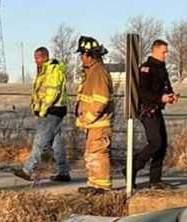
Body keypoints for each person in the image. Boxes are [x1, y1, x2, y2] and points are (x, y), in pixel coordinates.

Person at [12, 47, 70, 183]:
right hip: (53, 110)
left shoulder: (52, 70)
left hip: (51, 110)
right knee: (56, 143)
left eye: (37, 57)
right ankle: (64, 172)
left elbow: (52, 92)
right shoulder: (44, 70)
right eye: (34, 57)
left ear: (44, 57)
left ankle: (27, 170)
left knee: (40, 141)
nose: (35, 60)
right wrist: (35, 107)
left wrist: (42, 109)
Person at [130, 39, 178, 190]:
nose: (166, 54)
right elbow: (141, 91)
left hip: (156, 109)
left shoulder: (162, 68)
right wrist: (160, 98)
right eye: (164, 51)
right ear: (155, 50)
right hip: (146, 110)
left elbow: (166, 86)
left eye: (166, 51)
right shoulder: (146, 68)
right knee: (155, 142)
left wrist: (171, 95)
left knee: (162, 145)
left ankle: (155, 181)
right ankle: (131, 169)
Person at [75, 36, 114, 195]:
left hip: (98, 123)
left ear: (89, 55)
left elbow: (101, 99)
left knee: (98, 153)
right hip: (93, 124)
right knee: (91, 154)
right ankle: (94, 183)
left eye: (82, 54)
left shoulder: (98, 72)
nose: (80, 57)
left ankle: (102, 186)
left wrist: (89, 117)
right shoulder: (91, 72)